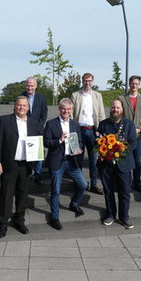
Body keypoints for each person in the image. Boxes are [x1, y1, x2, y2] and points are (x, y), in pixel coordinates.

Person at [0, 96, 44, 239]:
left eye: (24, 105)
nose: (21, 107)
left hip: (25, 165)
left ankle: (19, 221)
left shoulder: (34, 123)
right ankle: (3, 223)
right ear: (15, 106)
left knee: (23, 195)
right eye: (19, 105)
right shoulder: (4, 120)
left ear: (28, 108)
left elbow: (40, 142)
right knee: (6, 195)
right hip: (9, 164)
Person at [44, 98, 88, 230]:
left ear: (72, 110)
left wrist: (79, 148)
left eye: (68, 109)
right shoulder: (51, 124)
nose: (66, 111)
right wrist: (59, 140)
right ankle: (54, 217)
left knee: (83, 184)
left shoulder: (75, 124)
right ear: (59, 109)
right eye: (64, 108)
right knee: (56, 191)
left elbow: (80, 141)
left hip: (72, 161)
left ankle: (73, 203)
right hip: (57, 161)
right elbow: (45, 142)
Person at [97, 100, 136, 229]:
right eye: (113, 107)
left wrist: (119, 151)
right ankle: (110, 214)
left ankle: (124, 217)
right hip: (106, 165)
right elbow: (97, 142)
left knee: (124, 192)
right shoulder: (103, 124)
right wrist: (105, 153)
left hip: (123, 164)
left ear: (122, 109)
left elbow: (132, 143)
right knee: (108, 191)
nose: (115, 109)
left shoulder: (129, 124)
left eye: (117, 107)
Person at [71, 72, 105, 195]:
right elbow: (71, 113)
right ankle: (79, 183)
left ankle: (94, 184)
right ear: (82, 81)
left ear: (93, 82)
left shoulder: (98, 96)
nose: (87, 83)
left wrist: (101, 130)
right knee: (77, 158)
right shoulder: (75, 95)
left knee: (94, 159)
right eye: (85, 80)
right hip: (78, 130)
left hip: (92, 131)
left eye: (89, 80)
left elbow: (101, 114)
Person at [118, 75, 141, 193]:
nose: (134, 86)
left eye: (136, 83)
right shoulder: (121, 98)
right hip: (124, 136)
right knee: (125, 159)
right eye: (132, 83)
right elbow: (118, 115)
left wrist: (140, 128)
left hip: (138, 135)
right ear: (129, 84)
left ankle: (137, 183)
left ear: (139, 85)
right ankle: (125, 183)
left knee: (137, 160)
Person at [21, 77, 48, 184]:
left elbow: (44, 113)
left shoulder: (41, 98)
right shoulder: (21, 96)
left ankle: (37, 174)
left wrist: (38, 126)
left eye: (32, 85)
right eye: (28, 85)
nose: (30, 87)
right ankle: (27, 172)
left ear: (36, 86)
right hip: (24, 129)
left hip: (38, 129)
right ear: (25, 86)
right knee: (26, 152)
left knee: (38, 153)